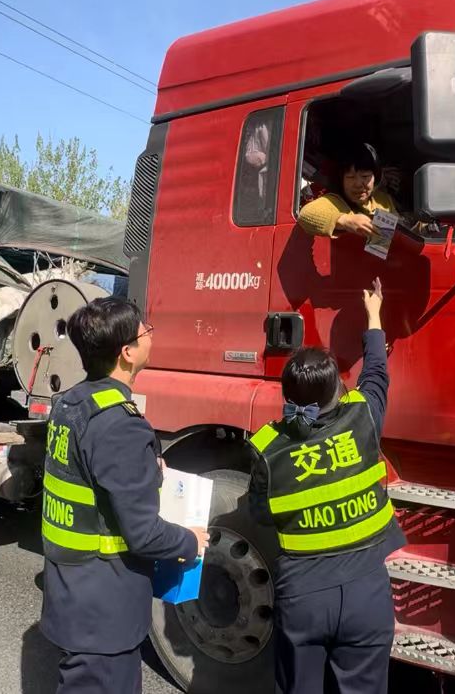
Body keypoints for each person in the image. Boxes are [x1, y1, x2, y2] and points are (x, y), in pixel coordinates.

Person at [39, 297, 210, 694]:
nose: (150, 334)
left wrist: (145, 469)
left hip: (71, 589)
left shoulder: (72, 403)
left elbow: (87, 474)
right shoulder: (120, 424)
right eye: (145, 330)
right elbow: (144, 534)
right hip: (105, 609)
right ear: (127, 353)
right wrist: (190, 541)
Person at [248, 279, 406, 694]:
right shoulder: (364, 417)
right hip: (367, 594)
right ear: (338, 390)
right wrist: (374, 315)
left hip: (302, 597)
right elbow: (376, 373)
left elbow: (259, 514)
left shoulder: (268, 449)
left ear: (288, 396)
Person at [297, 143, 400, 239]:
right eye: (351, 177)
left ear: (375, 178)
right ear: (341, 180)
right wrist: (345, 220)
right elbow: (306, 215)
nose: (358, 184)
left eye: (365, 176)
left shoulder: (383, 201)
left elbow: (385, 240)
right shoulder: (334, 202)